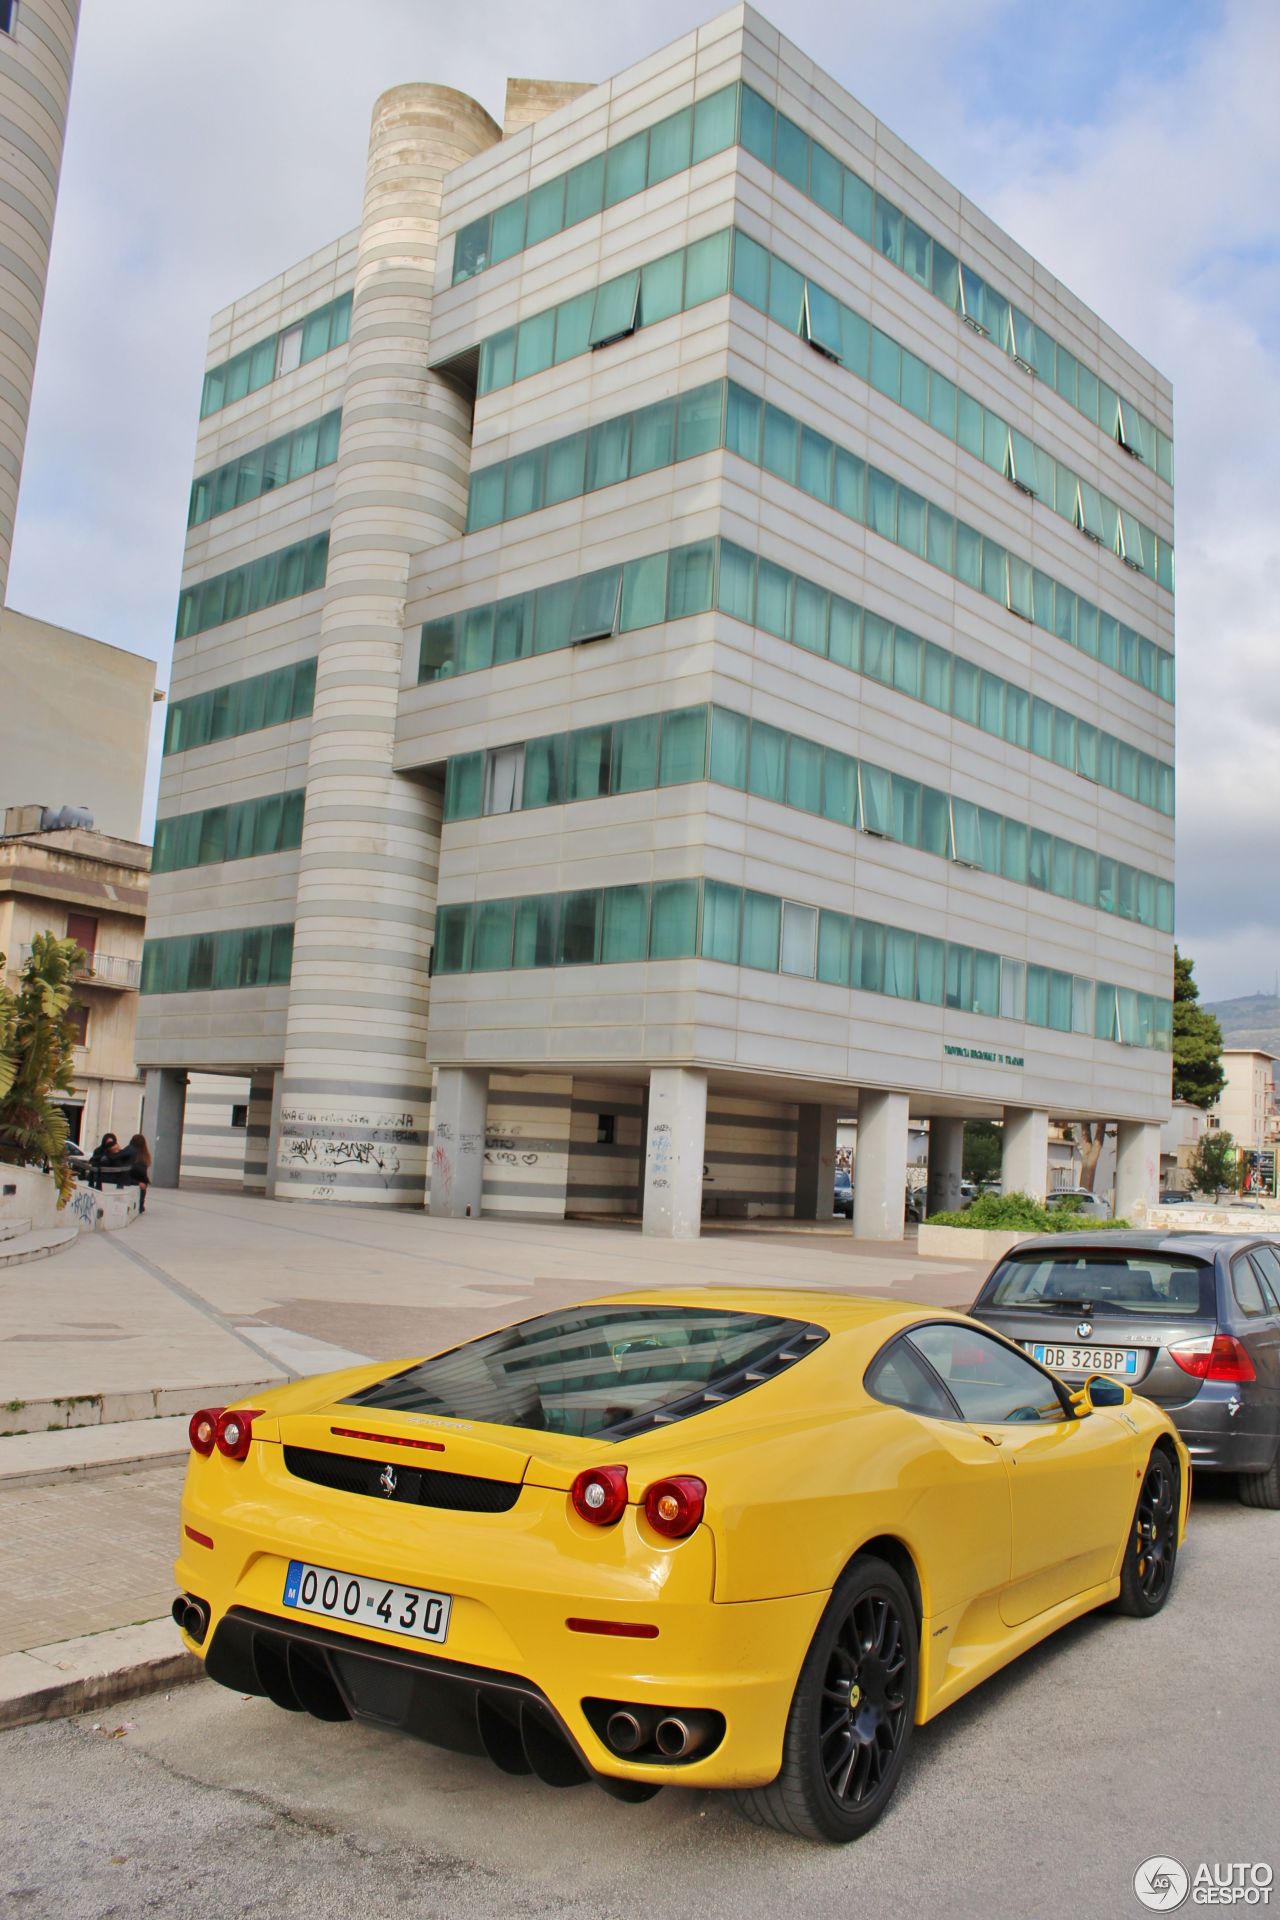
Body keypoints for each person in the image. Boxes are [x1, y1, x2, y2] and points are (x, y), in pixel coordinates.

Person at [99, 1132, 152, 1212]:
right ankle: (140, 1206)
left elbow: (118, 1156)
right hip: (140, 1180)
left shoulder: (130, 1149)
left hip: (130, 1178)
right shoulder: (144, 1155)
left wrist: (111, 1153)